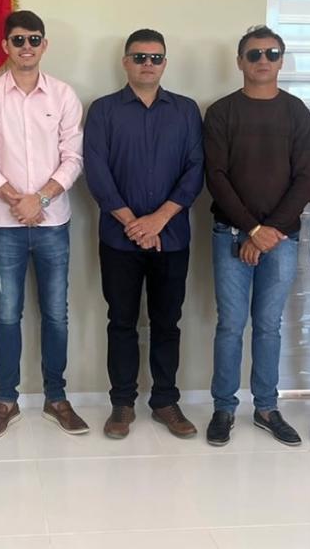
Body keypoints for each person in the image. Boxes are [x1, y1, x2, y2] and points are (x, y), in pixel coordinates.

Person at [0, 10, 86, 438]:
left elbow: (74, 157)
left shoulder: (64, 96)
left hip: (54, 224)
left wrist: (42, 199)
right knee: (6, 314)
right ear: (6, 46)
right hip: (5, 226)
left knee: (56, 315)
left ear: (44, 44)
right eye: (18, 40)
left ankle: (57, 398)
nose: (27, 46)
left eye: (34, 39)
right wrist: (18, 201)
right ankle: (6, 400)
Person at [83, 28, 203, 439]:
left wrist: (158, 220)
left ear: (165, 63)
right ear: (125, 62)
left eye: (155, 58)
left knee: (168, 322)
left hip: (172, 237)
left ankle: (165, 401)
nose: (147, 64)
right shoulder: (103, 110)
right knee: (121, 322)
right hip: (119, 239)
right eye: (139, 57)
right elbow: (96, 173)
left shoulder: (186, 110)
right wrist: (134, 223)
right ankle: (122, 404)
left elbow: (195, 170)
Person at [203, 25, 310, 447]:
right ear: (240, 62)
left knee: (269, 325)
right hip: (230, 234)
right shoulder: (221, 112)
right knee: (231, 325)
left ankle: (267, 407)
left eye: (271, 53)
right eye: (254, 54)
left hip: (282, 240)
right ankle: (224, 408)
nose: (263, 60)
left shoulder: (297, 112)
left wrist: (270, 232)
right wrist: (252, 229)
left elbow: (305, 178)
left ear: (281, 61)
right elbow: (216, 177)